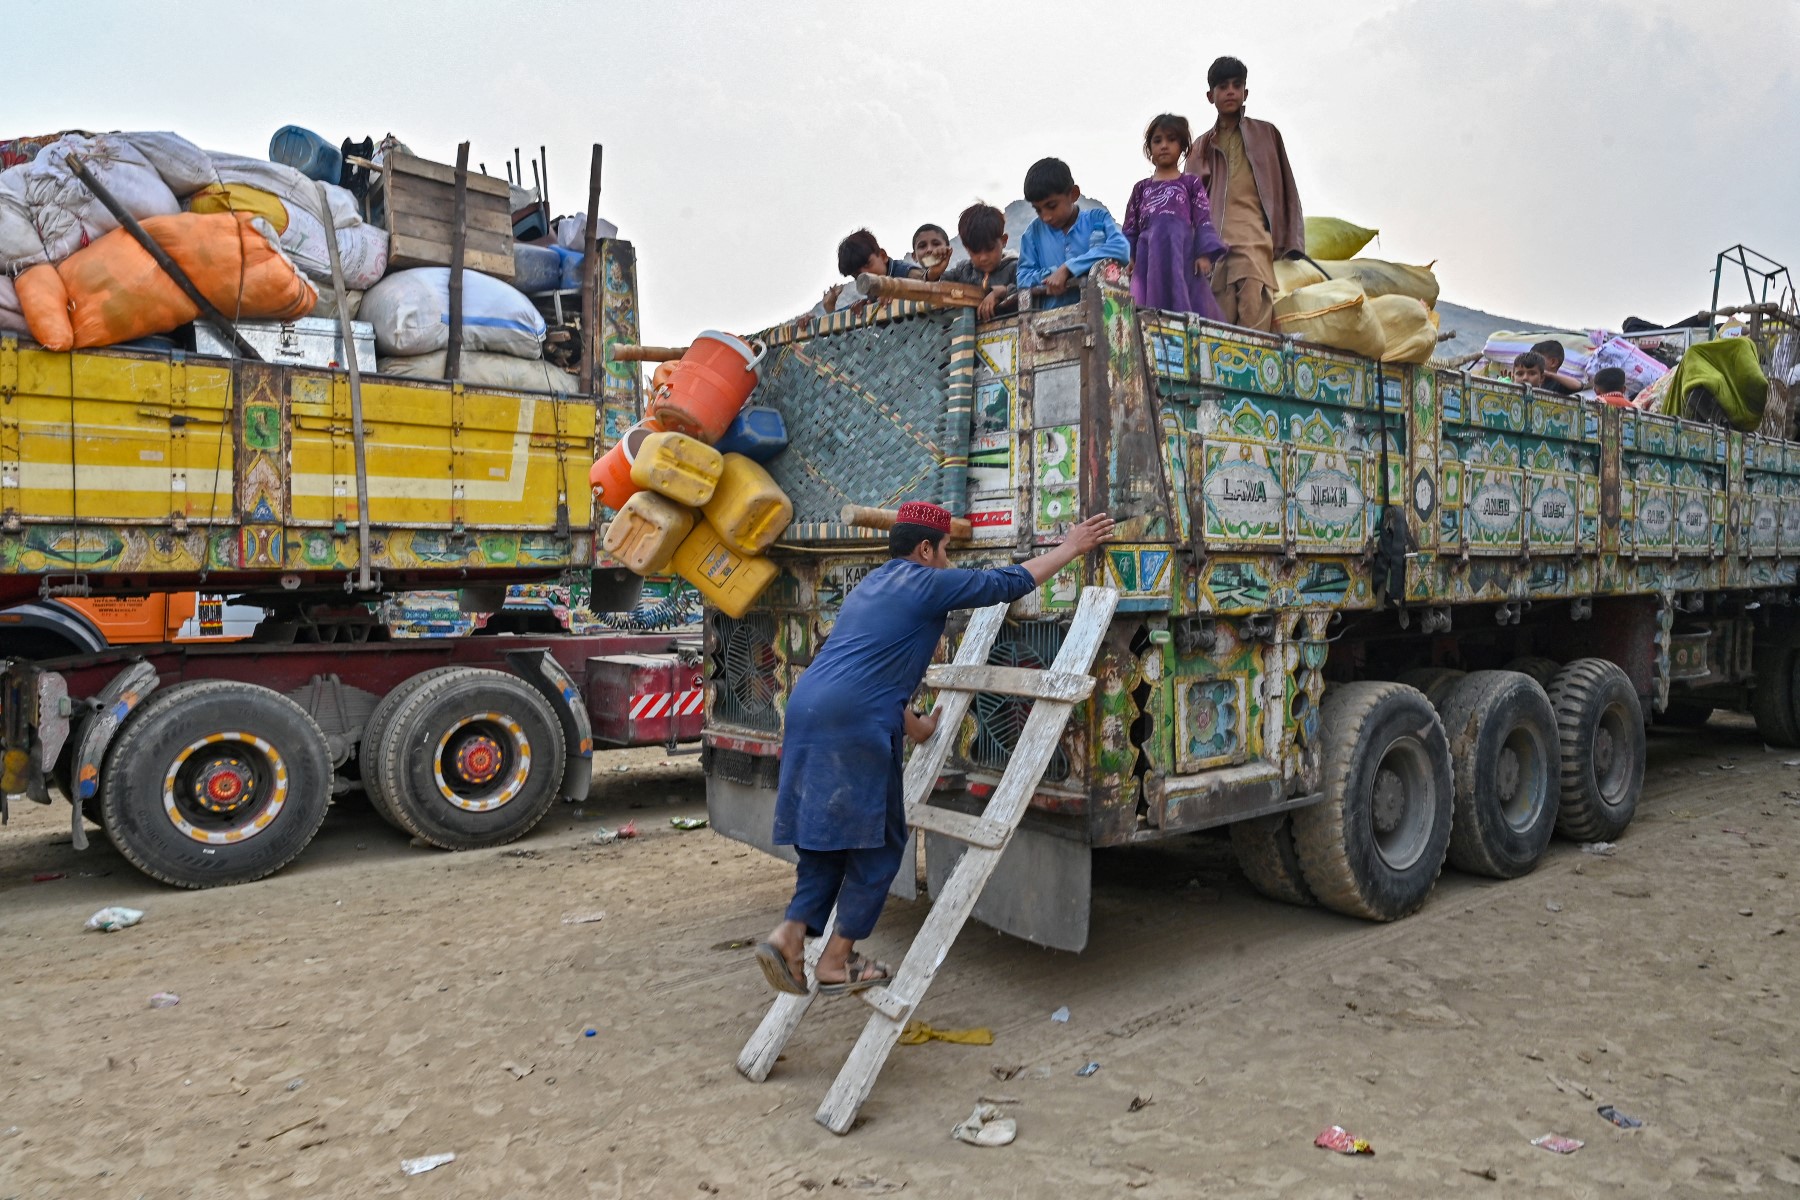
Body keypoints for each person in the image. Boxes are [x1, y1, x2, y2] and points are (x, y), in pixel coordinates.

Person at [757, 503, 1117, 995]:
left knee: (825, 840)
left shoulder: (870, 586)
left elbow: (865, 670)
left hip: (809, 711)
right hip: (856, 723)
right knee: (882, 845)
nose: (947, 561)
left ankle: (789, 936)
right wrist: (1071, 547)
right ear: (925, 549)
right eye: (945, 550)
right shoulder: (926, 582)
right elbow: (1008, 583)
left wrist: (918, 728)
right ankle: (836, 961)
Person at [1183, 56, 1305, 332]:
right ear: (1210, 96)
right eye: (1223, 86)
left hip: (1255, 241)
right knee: (1218, 325)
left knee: (1254, 311)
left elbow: (1287, 188)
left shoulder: (1267, 134)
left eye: (1236, 86)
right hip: (1215, 248)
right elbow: (1189, 205)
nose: (1230, 92)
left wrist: (1292, 242)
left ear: (1245, 92)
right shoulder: (1200, 147)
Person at [1122, 113, 1226, 320]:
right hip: (1148, 258)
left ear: (1183, 147)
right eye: (1157, 140)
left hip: (1182, 256)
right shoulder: (1141, 188)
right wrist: (1129, 257)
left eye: (1171, 139)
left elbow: (1203, 220)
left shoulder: (1191, 184)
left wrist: (1204, 254)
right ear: (1149, 148)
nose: (1164, 145)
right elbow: (1130, 228)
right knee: (1145, 313)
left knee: (1186, 312)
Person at [1015, 157, 1131, 310]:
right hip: (1052, 323)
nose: (1046, 216)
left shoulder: (1097, 218)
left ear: (1073, 194)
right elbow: (1023, 278)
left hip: (1102, 314)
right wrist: (1052, 275)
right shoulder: (1033, 233)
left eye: (1052, 206)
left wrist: (1069, 268)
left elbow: (1120, 249)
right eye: (1038, 210)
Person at [941, 202, 1019, 320]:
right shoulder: (963, 271)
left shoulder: (1016, 267)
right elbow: (938, 285)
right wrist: (938, 269)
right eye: (975, 251)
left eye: (989, 248)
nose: (983, 258)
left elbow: (1031, 288)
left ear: (1004, 241)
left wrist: (1003, 292)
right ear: (967, 249)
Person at [817, 229, 923, 314]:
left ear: (883, 256)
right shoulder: (872, 292)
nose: (865, 275)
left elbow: (932, 286)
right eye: (857, 275)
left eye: (868, 264)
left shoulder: (908, 274)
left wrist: (899, 294)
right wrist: (830, 308)